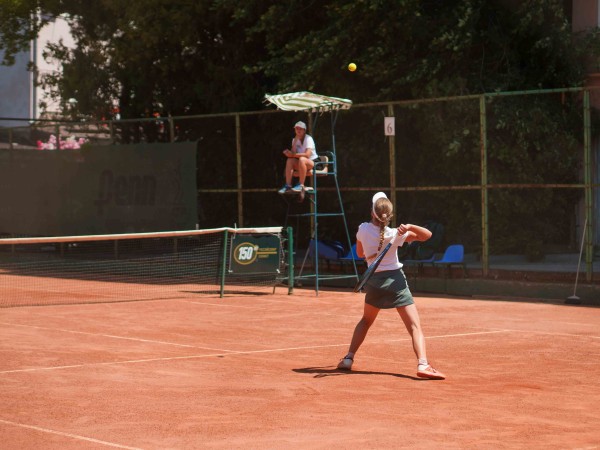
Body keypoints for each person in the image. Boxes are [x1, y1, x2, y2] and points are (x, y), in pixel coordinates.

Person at [337, 192, 446, 380]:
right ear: (389, 215)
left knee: (365, 321)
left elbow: (361, 253)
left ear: (372, 212)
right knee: (414, 326)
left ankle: (348, 358)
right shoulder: (396, 234)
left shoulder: (362, 229)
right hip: (396, 282)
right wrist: (410, 227)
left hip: (374, 282)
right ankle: (423, 364)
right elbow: (427, 235)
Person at [278, 121, 318, 194]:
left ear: (304, 130)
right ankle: (288, 185)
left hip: (313, 163)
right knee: (290, 160)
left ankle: (301, 185)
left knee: (302, 159)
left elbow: (307, 155)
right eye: (296, 128)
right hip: (302, 163)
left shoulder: (309, 138)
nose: (298, 130)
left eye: (300, 129)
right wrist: (289, 152)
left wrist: (292, 155)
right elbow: (292, 153)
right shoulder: (294, 140)